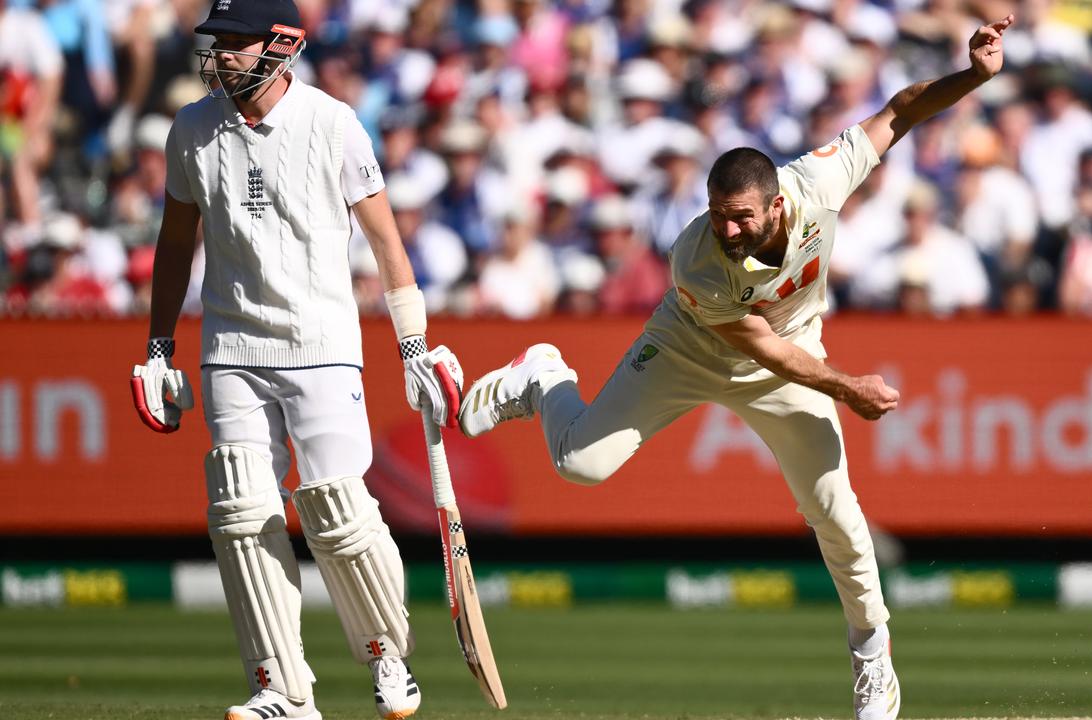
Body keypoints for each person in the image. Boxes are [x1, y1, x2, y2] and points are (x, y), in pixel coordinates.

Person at [459, 15, 1014, 720]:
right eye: (718, 214)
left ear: (777, 204)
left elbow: (899, 112)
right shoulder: (696, 257)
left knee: (835, 511)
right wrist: (848, 387)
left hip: (791, 349)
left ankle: (873, 657)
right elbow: (761, 348)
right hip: (697, 346)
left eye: (741, 216)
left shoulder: (816, 181)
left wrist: (974, 75)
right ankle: (544, 375)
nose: (727, 229)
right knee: (580, 465)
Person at [127, 2, 463, 719]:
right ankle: (281, 688)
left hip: (322, 348)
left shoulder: (333, 123)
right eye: (214, 44)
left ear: (284, 44)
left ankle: (387, 655)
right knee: (242, 510)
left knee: (338, 509)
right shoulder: (190, 128)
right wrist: (159, 348)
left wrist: (411, 347)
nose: (218, 58)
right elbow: (173, 245)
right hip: (231, 349)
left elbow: (387, 246)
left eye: (235, 45)